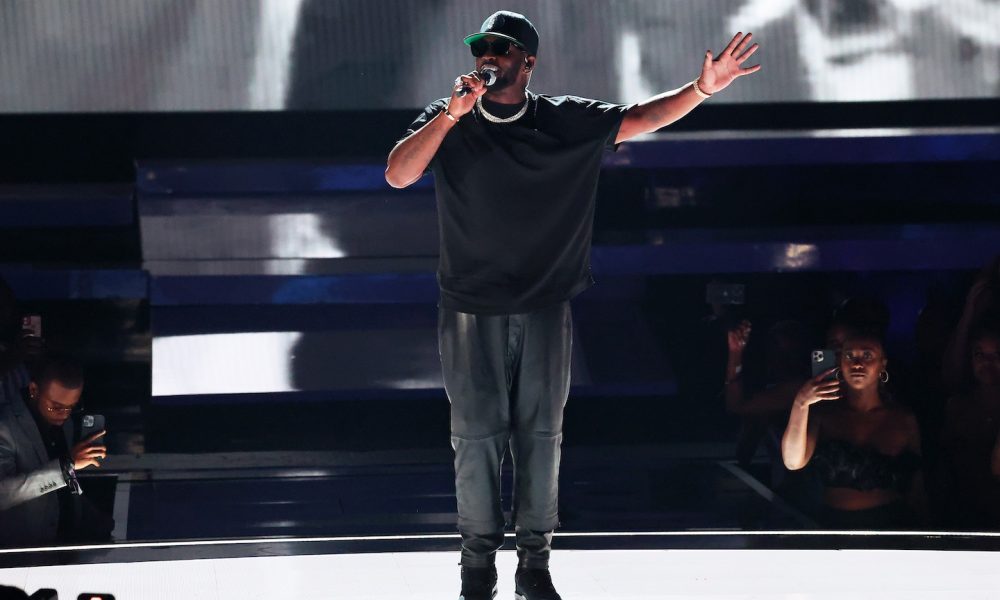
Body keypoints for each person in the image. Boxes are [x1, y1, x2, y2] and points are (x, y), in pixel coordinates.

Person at [385, 10, 760, 599]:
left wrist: (702, 89)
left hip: (543, 302)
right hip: (468, 304)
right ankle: (476, 568)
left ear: (527, 62)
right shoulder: (448, 117)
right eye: (482, 47)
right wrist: (451, 118)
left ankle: (534, 564)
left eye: (502, 49)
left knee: (540, 434)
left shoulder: (564, 120)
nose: (488, 56)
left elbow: (640, 119)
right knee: (476, 436)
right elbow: (399, 174)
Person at [781, 329, 926, 529]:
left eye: (867, 355)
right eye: (849, 355)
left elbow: (918, 488)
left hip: (892, 526)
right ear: (840, 361)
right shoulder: (824, 415)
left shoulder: (902, 418)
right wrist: (801, 403)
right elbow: (792, 461)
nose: (858, 363)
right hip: (833, 526)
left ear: (882, 363)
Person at [0, 356, 109, 547]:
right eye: (56, 407)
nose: (64, 415)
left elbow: (67, 481)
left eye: (71, 407)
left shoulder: (65, 424)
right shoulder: (5, 427)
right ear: (34, 390)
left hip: (65, 545)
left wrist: (90, 516)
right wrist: (67, 464)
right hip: (20, 553)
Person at [938, 323, 1000, 529]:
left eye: (996, 354)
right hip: (964, 514)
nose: (988, 363)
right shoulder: (957, 406)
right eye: (980, 354)